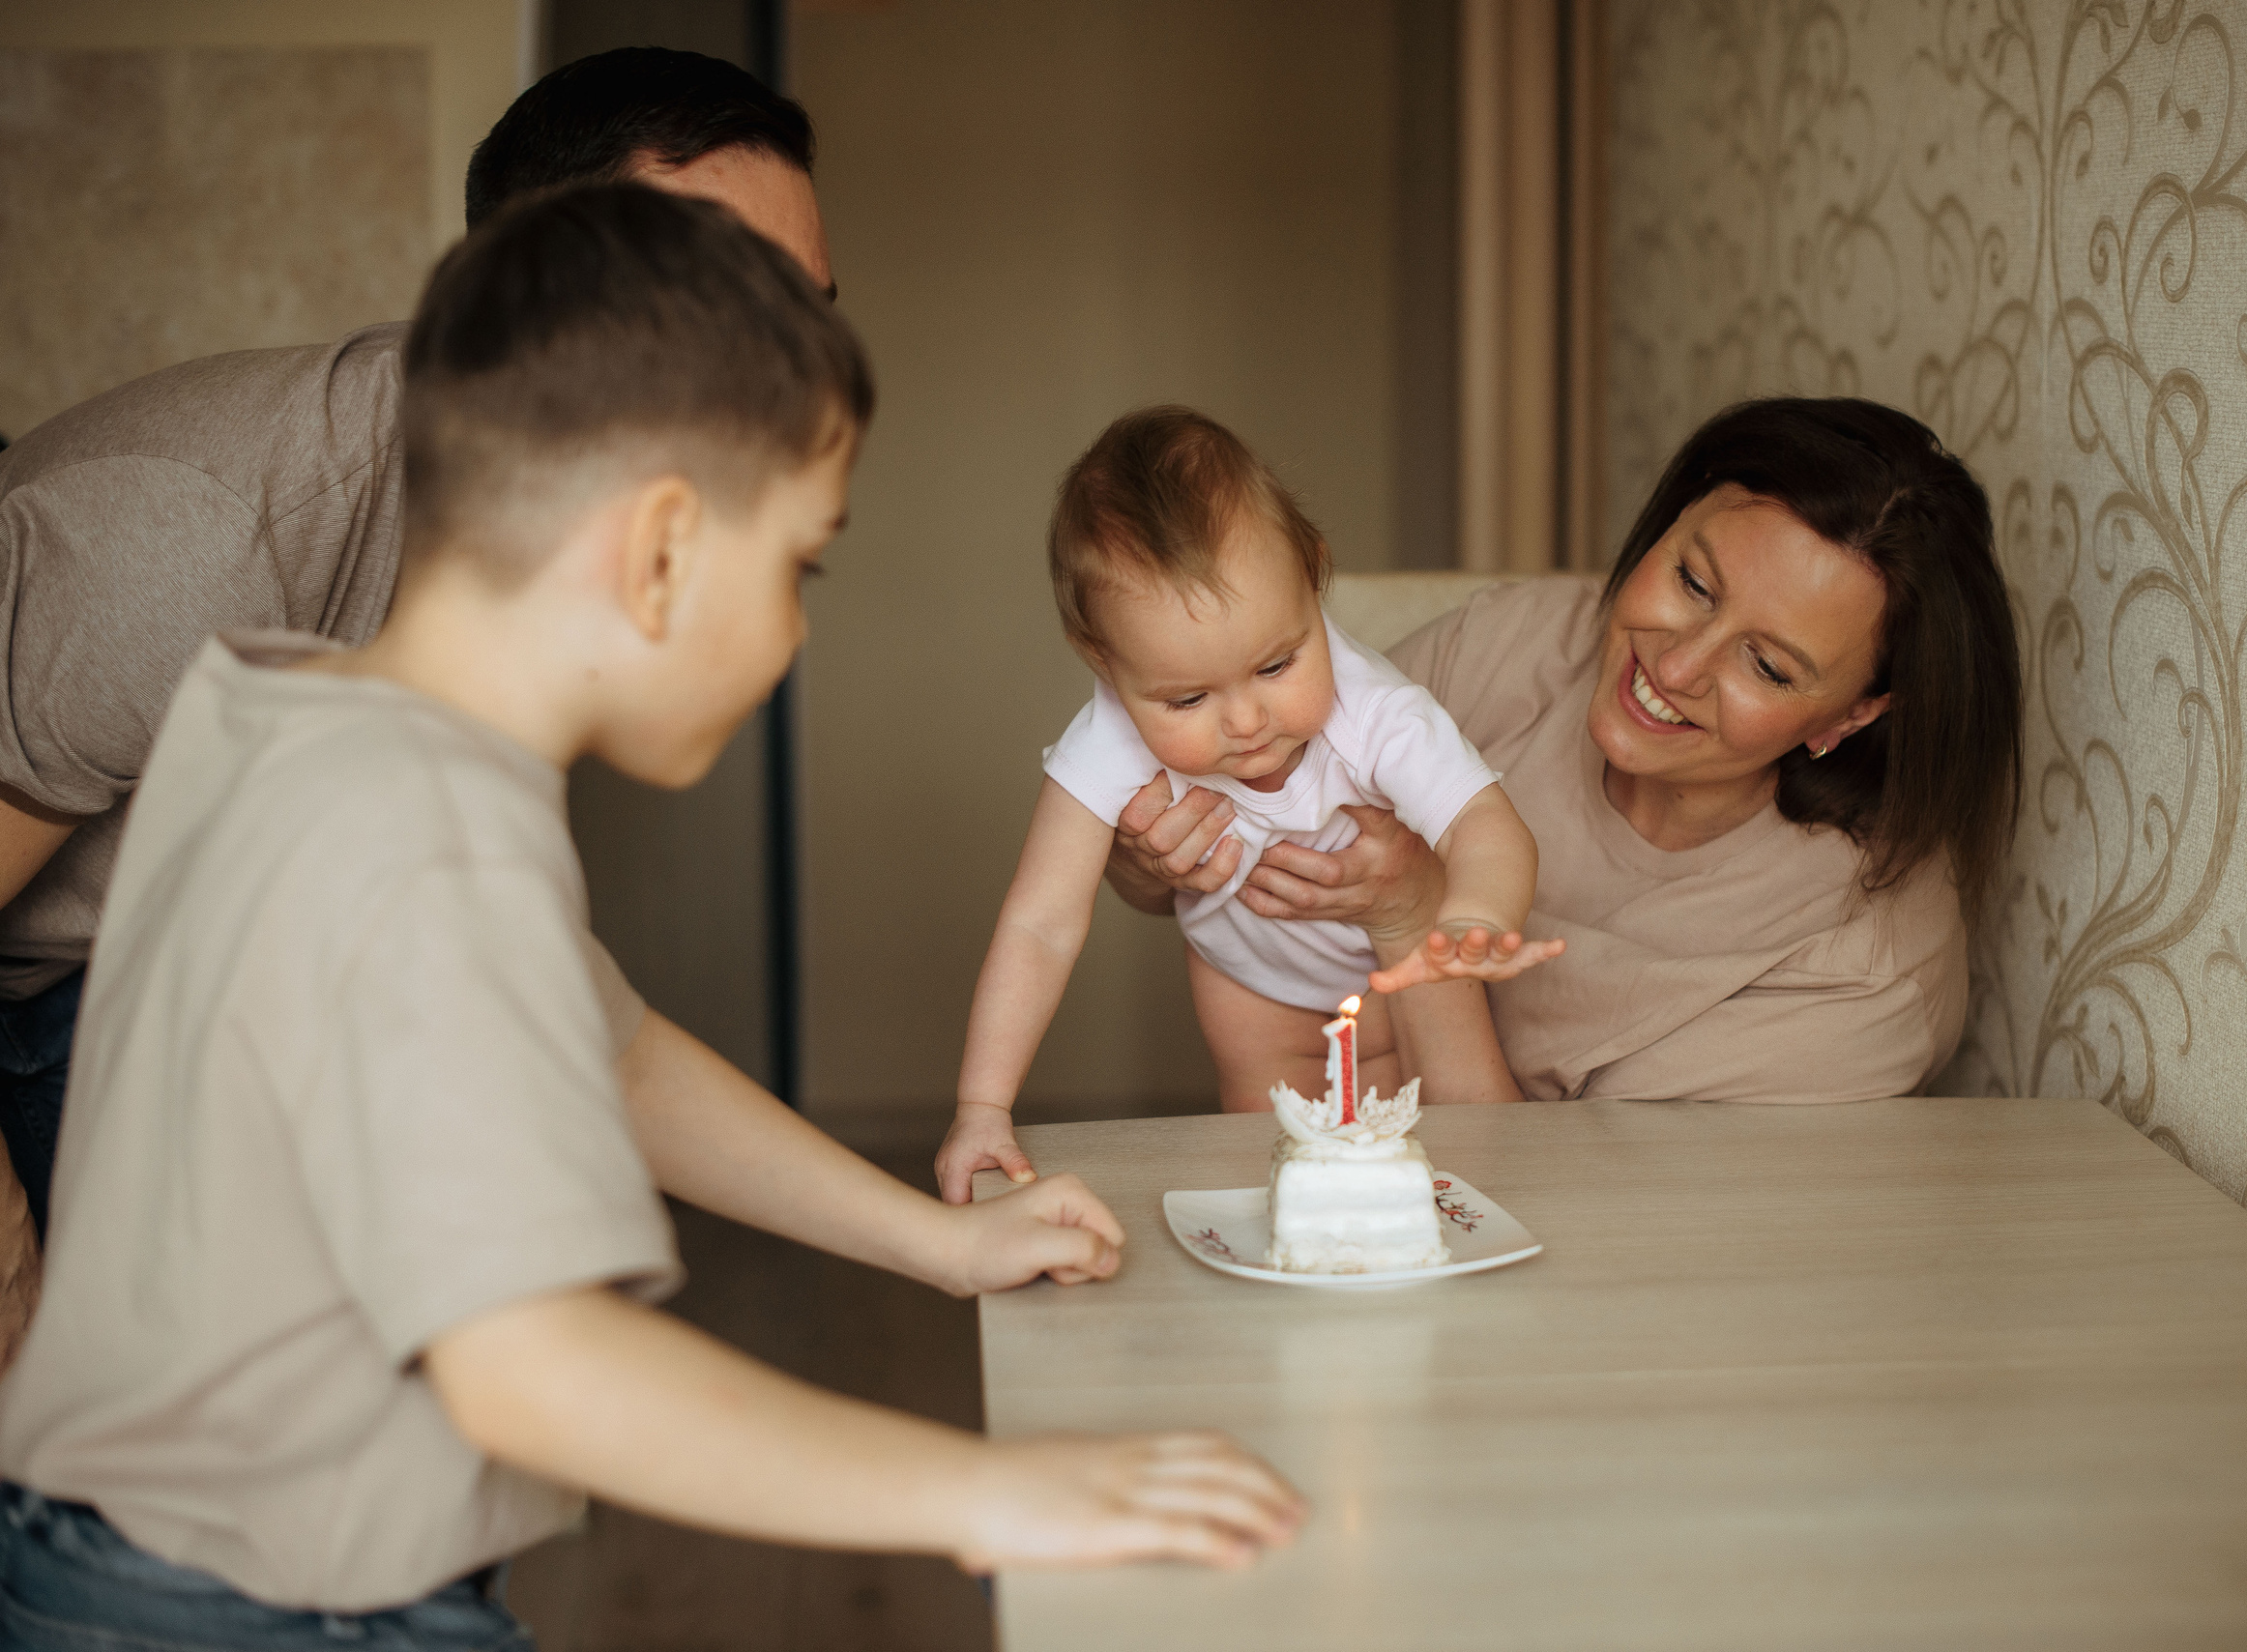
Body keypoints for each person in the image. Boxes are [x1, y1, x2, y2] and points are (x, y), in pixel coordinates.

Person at [0, 186, 1303, 1649]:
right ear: (664, 549)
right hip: (252, 1615)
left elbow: (610, 1051)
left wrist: (933, 1244)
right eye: (800, 567)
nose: (798, 631)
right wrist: (997, 1495)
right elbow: (530, 1366)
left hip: (120, 1562)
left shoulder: (291, 711)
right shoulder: (430, 845)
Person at [0, 46, 832, 1355]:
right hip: (57, 987)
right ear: (543, 302)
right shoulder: (189, 537)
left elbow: (588, 1025)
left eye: (812, 311)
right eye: (733, 308)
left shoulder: (537, 578)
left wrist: (935, 1234)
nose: (802, 377)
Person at [1101, 398, 2024, 1108]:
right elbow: (1229, 848)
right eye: (1692, 580)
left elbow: (1552, 1221)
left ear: (1854, 715)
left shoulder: (1854, 975)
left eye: (1769, 666)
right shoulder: (1521, 643)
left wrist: (1418, 913)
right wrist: (1151, 861)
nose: (1677, 660)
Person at [934, 409, 1561, 1202]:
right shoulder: (1107, 734)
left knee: (1427, 1175)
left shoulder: (1376, 709)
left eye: (1276, 665)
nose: (1246, 721)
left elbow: (1486, 822)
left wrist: (1474, 915)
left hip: (1392, 985)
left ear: (1313, 574)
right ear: (1105, 661)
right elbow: (1038, 923)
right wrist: (983, 1104)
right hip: (1249, 993)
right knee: (1274, 1175)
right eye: (1188, 697)